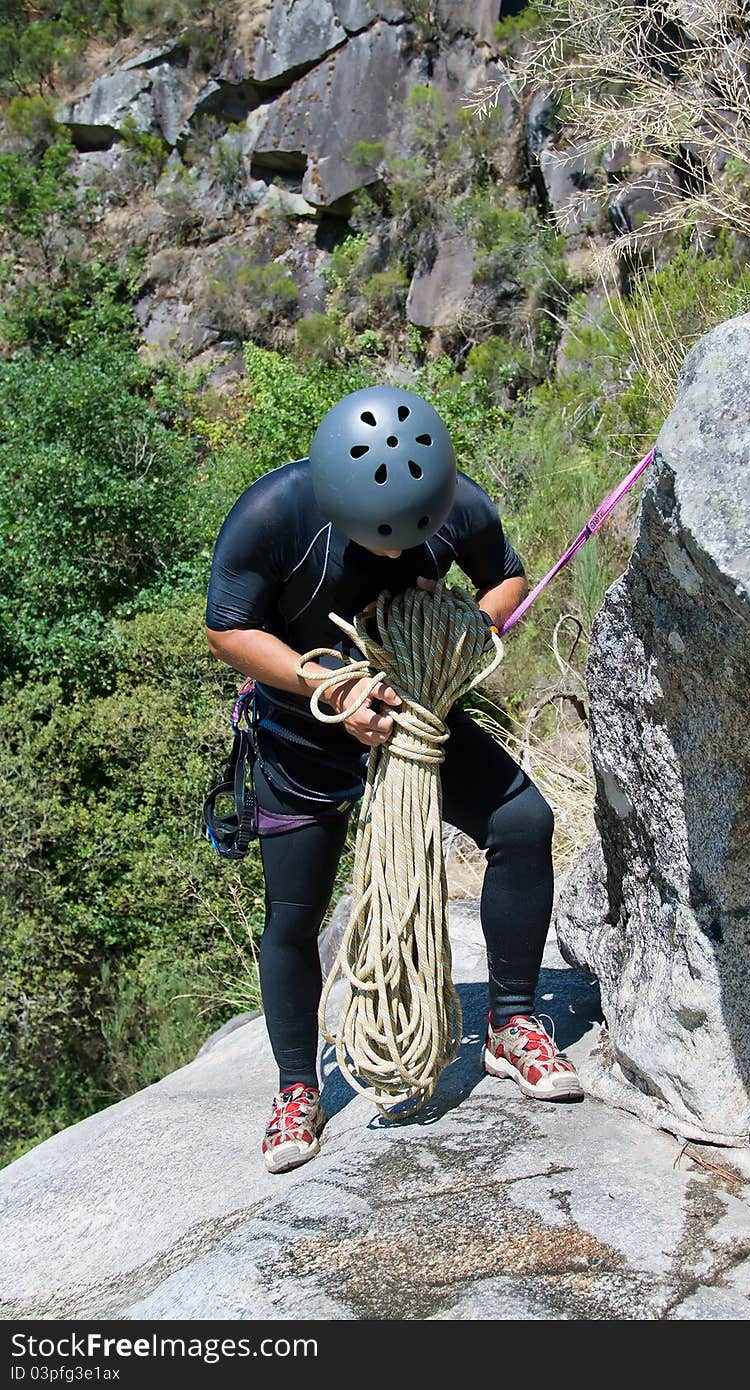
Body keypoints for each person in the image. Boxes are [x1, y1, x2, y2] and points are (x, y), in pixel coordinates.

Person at [205, 385, 584, 1175]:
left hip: (415, 722)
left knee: (523, 825)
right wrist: (331, 687)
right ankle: (297, 1088)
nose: (389, 554)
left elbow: (506, 580)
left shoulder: (458, 503)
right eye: (374, 541)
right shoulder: (273, 515)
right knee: (294, 913)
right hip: (302, 738)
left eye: (403, 540)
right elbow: (228, 628)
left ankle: (511, 1024)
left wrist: (464, 628)